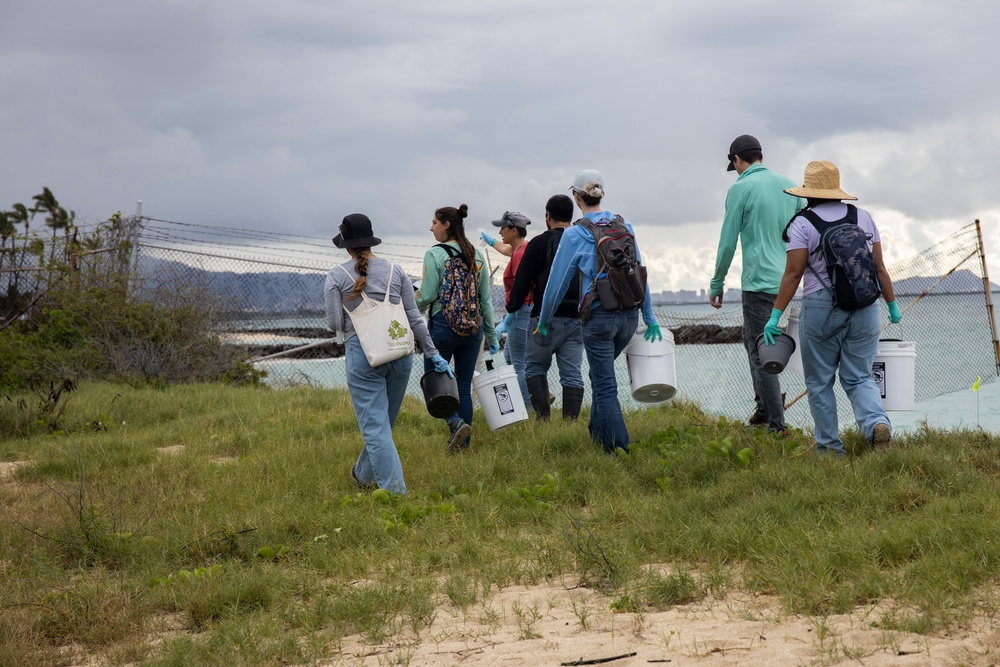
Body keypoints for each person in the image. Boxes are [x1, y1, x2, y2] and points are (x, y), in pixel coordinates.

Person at [763, 160, 903, 454]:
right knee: (859, 376)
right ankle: (877, 424)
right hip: (865, 306)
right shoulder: (863, 217)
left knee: (819, 382)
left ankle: (829, 447)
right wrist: (891, 306)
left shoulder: (803, 224)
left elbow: (793, 274)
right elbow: (880, 269)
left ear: (808, 193)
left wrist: (775, 317)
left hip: (820, 309)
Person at [325, 213, 453, 493]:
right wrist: (433, 354)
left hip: (363, 356)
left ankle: (396, 494)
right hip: (400, 354)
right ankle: (362, 475)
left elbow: (334, 323)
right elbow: (415, 318)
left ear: (346, 245)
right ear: (371, 241)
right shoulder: (397, 271)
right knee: (383, 426)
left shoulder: (336, 276)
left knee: (375, 428)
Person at [537, 169, 662, 453]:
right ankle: (597, 431)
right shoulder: (625, 225)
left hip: (598, 319)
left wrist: (544, 320)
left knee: (604, 384)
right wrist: (649, 317)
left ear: (577, 197)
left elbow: (556, 285)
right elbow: (639, 275)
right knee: (600, 376)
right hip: (628, 317)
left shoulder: (574, 234)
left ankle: (617, 448)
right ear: (601, 195)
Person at [709, 134, 803, 433]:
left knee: (762, 351)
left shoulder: (741, 188)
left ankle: (776, 424)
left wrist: (717, 282)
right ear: (760, 155)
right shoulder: (790, 185)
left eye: (734, 165)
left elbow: (727, 242)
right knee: (754, 342)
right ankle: (764, 407)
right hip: (791, 279)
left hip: (759, 283)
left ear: (737, 160)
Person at [416, 204, 499, 452]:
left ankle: (455, 423)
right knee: (463, 386)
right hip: (473, 330)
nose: (431, 227)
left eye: (434, 223)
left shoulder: (435, 254)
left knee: (434, 383)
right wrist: (492, 336)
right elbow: (485, 300)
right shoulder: (478, 256)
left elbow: (427, 295)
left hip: (443, 327)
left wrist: (407, 300)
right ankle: (464, 445)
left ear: (446, 225)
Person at [508, 194, 584, 421]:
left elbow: (522, 282)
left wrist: (512, 309)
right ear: (571, 217)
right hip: (577, 319)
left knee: (534, 368)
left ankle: (543, 420)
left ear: (548, 216)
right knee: (572, 375)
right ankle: (570, 424)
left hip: (544, 319)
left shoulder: (539, 243)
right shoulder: (582, 241)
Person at [491, 210, 533, 411]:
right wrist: (489, 242)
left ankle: (528, 406)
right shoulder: (521, 250)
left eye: (503, 228)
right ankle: (535, 393)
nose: (500, 232)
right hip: (522, 310)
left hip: (521, 311)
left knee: (519, 363)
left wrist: (509, 317)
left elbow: (519, 289)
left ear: (514, 231)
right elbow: (503, 248)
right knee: (509, 354)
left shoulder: (520, 255)